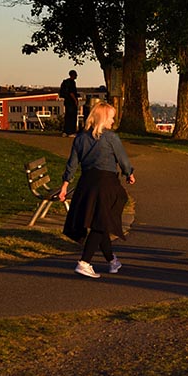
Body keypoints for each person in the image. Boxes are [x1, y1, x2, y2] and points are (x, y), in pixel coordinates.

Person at [58, 102, 135, 279]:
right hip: (106, 183)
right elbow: (123, 159)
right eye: (111, 117)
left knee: (100, 221)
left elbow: (72, 164)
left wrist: (65, 186)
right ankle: (84, 262)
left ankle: (112, 260)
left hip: (86, 184)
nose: (113, 121)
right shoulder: (111, 138)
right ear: (103, 118)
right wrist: (129, 173)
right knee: (102, 222)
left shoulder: (80, 138)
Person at [60, 69, 79, 137]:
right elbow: (71, 92)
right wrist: (75, 100)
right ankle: (71, 132)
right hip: (71, 102)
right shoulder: (72, 82)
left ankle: (65, 131)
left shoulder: (65, 82)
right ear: (73, 75)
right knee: (72, 117)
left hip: (67, 101)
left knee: (67, 117)